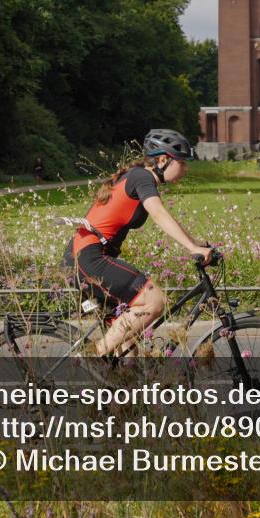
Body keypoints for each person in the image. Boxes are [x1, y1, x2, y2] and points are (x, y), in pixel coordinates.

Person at [63, 129, 213, 358]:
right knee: (154, 301)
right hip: (87, 259)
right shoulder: (141, 177)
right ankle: (91, 358)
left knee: (129, 352)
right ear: (163, 160)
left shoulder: (138, 177)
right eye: (182, 162)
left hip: (87, 258)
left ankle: (122, 389)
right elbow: (159, 213)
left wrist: (198, 243)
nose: (186, 168)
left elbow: (163, 216)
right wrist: (192, 248)